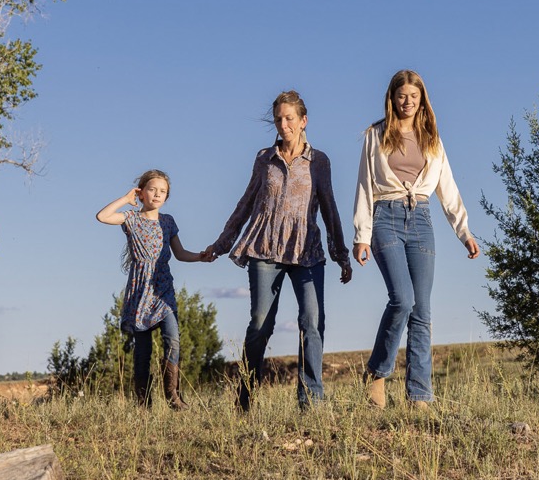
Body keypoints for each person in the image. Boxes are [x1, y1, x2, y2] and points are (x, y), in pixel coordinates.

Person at [204, 90, 353, 410]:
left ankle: (310, 401)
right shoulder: (263, 159)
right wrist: (221, 244)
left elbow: (329, 208)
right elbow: (246, 203)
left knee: (312, 322)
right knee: (261, 323)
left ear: (303, 121)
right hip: (265, 249)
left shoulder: (319, 161)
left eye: (289, 118)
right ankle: (244, 399)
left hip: (307, 252)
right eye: (278, 119)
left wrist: (341, 254)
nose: (283, 124)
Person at [353, 70, 479, 409]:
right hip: (385, 219)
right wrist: (361, 235)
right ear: (392, 98)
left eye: (414, 96)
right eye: (401, 96)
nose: (407, 101)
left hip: (421, 220)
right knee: (402, 299)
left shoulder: (432, 138)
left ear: (422, 99)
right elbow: (365, 185)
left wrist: (463, 231)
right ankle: (377, 375)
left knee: (422, 310)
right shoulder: (375, 135)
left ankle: (420, 395)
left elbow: (447, 187)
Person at [97, 170, 213, 409]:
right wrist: (126, 198)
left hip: (163, 288)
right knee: (143, 350)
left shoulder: (168, 221)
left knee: (173, 338)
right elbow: (102, 216)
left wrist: (200, 258)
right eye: (152, 189)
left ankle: (173, 396)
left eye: (163, 191)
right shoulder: (131, 218)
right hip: (140, 289)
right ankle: (143, 403)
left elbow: (180, 254)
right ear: (141, 193)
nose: (157, 194)